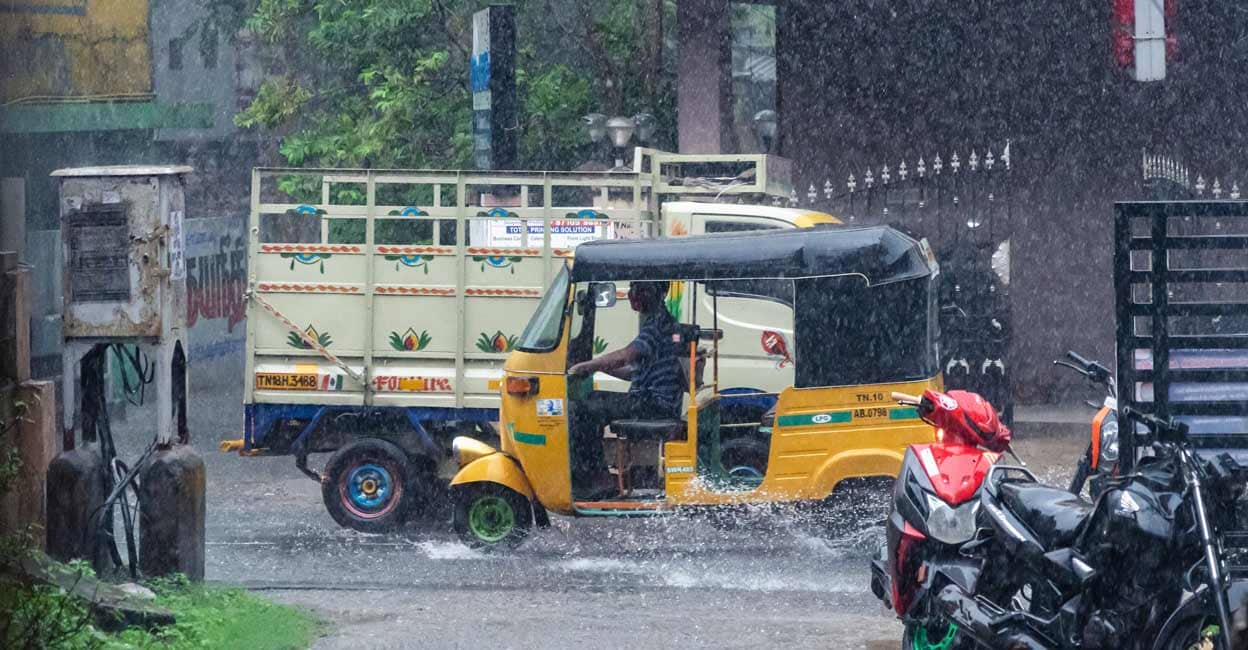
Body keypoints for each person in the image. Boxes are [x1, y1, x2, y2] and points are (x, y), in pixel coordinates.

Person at [567, 281, 683, 496]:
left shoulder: (658, 325)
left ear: (653, 293)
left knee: (581, 410)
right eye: (631, 288)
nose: (631, 294)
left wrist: (589, 365)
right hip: (650, 400)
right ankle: (596, 475)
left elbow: (625, 356)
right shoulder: (658, 322)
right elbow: (634, 372)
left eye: (637, 289)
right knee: (592, 400)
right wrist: (598, 368)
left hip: (655, 406)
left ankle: (592, 478)